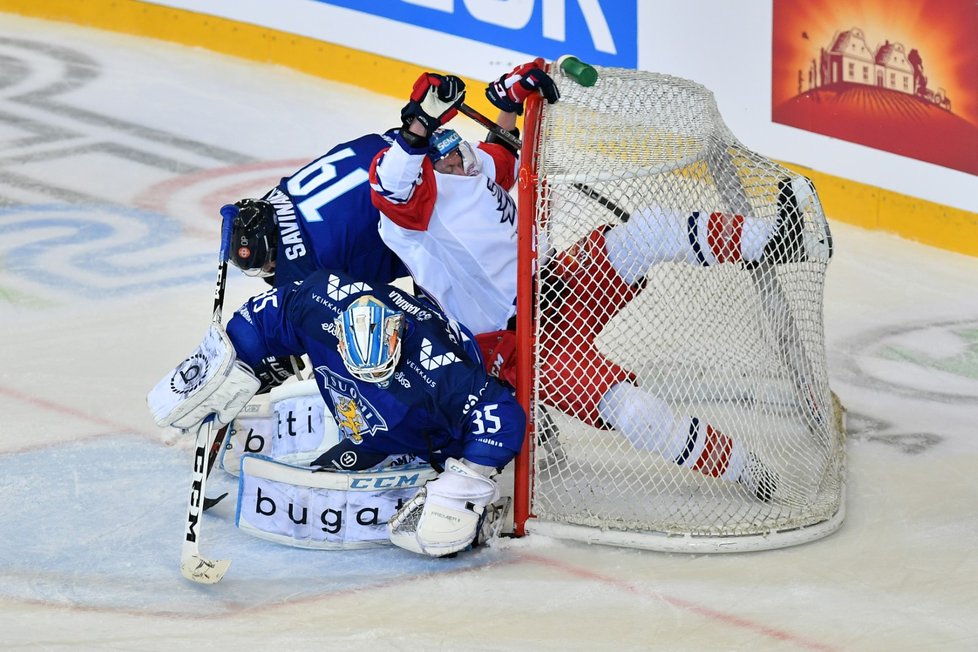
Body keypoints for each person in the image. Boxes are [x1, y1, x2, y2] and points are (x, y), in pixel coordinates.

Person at [367, 63, 819, 501]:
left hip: (559, 286)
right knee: (634, 410)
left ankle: (777, 240)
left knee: (647, 233)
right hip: (522, 342)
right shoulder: (411, 219)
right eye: (443, 158)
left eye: (457, 150)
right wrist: (419, 121)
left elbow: (501, 152)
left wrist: (509, 100)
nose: (458, 160)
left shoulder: (472, 167)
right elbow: (390, 184)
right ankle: (747, 469)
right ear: (423, 165)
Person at [150, 268, 526, 556]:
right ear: (339, 334)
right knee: (328, 468)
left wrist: (465, 481)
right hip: (369, 426)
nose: (372, 378)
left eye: (380, 371)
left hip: (432, 434)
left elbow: (502, 415)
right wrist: (230, 361)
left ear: (397, 338)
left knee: (436, 534)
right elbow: (268, 314)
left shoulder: (441, 372)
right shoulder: (320, 303)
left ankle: (472, 504)